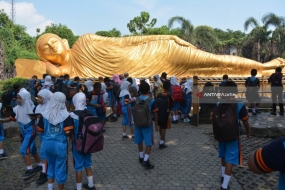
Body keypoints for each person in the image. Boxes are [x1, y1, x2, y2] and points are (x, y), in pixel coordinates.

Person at [29, 33, 285, 79]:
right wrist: (44, 63)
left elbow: (125, 40)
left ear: (63, 41)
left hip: (157, 51)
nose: (52, 50)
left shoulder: (84, 41)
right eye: (46, 52)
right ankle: (266, 68)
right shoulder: (68, 72)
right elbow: (48, 71)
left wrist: (167, 37)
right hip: (148, 70)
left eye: (53, 43)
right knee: (210, 70)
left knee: (215, 61)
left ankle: (265, 66)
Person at [209, 81, 250, 190]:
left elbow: (212, 118)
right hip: (233, 136)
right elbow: (245, 121)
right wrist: (248, 131)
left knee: (223, 155)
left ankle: (223, 177)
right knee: (230, 160)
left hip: (221, 134)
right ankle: (224, 186)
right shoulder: (239, 104)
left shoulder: (219, 103)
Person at [0, 90, 42, 178]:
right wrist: (3, 121)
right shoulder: (17, 108)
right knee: (33, 148)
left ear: (26, 99)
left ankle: (30, 169)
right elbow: (12, 118)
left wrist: (35, 117)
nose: (18, 100)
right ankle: (40, 165)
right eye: (18, 98)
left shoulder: (33, 108)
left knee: (23, 150)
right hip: (23, 131)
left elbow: (39, 117)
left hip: (30, 130)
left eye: (20, 98)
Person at [37, 92, 73, 190]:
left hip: (47, 144)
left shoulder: (44, 114)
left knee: (50, 166)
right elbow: (68, 131)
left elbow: (40, 130)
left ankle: (50, 188)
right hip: (60, 145)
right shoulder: (66, 115)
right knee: (61, 168)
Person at [70, 92, 96, 190]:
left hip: (77, 143)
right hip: (89, 142)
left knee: (78, 166)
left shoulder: (72, 115)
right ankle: (90, 185)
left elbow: (70, 130)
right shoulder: (89, 113)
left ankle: (78, 188)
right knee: (88, 163)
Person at [134, 82, 158, 169]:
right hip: (147, 123)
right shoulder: (151, 100)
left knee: (139, 140)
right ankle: (146, 159)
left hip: (137, 123)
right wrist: (156, 125)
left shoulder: (136, 99)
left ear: (139, 90)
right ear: (148, 90)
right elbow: (155, 113)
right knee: (149, 142)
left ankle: (141, 156)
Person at [34, 89, 53, 185]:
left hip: (48, 132)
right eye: (38, 97)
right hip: (41, 131)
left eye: (41, 98)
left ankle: (45, 172)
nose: (39, 99)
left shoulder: (50, 106)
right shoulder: (38, 107)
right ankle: (46, 168)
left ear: (46, 98)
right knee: (44, 149)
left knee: (44, 151)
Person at [157, 80, 174, 149]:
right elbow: (171, 107)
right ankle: (161, 142)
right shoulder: (170, 96)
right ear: (169, 88)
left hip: (158, 113)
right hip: (165, 114)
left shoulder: (159, 94)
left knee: (160, 126)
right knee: (164, 128)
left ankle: (162, 138)